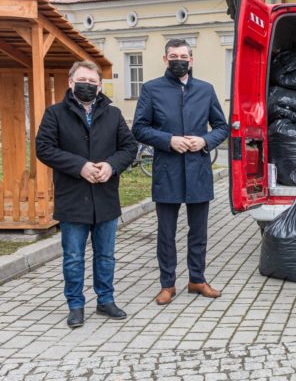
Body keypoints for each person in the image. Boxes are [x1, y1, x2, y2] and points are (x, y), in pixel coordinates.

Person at [36, 61, 137, 328]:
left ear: (100, 86)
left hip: (105, 196)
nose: (87, 86)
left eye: (93, 82)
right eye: (82, 80)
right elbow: (44, 148)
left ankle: (105, 300)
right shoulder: (55, 114)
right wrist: (79, 166)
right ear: (71, 82)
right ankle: (75, 305)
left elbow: (129, 147)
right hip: (73, 197)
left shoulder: (113, 114)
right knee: (73, 257)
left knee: (106, 255)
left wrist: (111, 166)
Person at [132, 39, 229, 305]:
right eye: (173, 56)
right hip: (168, 171)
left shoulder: (205, 90)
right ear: (165, 59)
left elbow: (222, 126)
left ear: (191, 60)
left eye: (183, 56)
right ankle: (168, 284)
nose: (179, 60)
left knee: (199, 232)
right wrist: (169, 140)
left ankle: (197, 279)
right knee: (166, 233)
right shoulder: (152, 89)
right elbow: (139, 128)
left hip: (198, 170)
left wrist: (205, 141)